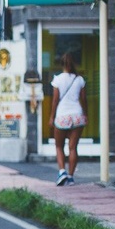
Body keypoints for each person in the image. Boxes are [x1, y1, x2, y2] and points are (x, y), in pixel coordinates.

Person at [49, 52, 88, 186]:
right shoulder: (80, 79)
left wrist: (51, 116)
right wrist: (85, 115)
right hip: (77, 115)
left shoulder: (58, 79)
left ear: (62, 64)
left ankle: (62, 172)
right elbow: (84, 100)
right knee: (73, 148)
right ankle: (70, 177)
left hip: (62, 116)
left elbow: (55, 100)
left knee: (59, 146)